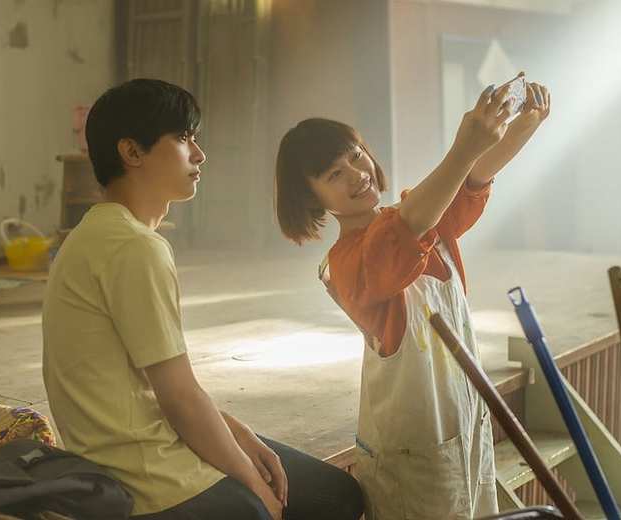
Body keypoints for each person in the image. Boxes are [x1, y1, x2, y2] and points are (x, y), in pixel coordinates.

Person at [42, 78, 364, 520]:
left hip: (127, 456)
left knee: (324, 489)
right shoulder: (134, 247)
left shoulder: (95, 233)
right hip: (149, 480)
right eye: (182, 138)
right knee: (320, 501)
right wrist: (255, 489)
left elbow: (164, 388)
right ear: (132, 152)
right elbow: (178, 398)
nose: (199, 154)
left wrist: (238, 433)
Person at [274, 76, 550, 519]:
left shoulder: (420, 216)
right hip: (413, 457)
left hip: (465, 428)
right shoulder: (348, 264)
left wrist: (525, 124)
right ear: (311, 199)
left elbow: (471, 179)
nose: (357, 174)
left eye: (356, 156)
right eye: (334, 175)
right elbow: (406, 229)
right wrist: (464, 147)